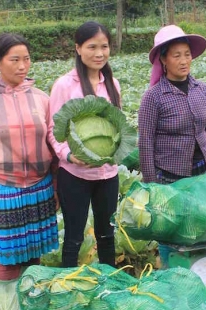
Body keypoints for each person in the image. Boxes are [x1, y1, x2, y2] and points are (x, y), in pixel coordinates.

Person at [0, 33, 60, 286]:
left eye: (26, 59)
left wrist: (57, 186)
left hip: (40, 186)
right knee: (8, 258)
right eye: (14, 60)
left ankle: (30, 308)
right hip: (2, 188)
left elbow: (53, 141)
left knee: (34, 253)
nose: (22, 66)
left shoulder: (41, 98)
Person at [138, 25, 206, 267]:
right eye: (176, 55)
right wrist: (152, 188)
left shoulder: (201, 90)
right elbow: (145, 144)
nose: (184, 60)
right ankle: (172, 273)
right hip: (170, 177)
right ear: (163, 60)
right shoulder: (153, 97)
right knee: (171, 228)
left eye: (187, 54)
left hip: (202, 172)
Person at [48, 21, 120, 268]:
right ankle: (68, 286)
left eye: (104, 46)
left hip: (108, 174)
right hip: (74, 175)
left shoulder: (112, 83)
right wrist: (68, 155)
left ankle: (111, 282)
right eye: (92, 47)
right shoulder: (65, 85)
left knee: (107, 234)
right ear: (78, 48)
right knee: (74, 236)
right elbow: (53, 130)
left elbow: (116, 125)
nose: (99, 53)